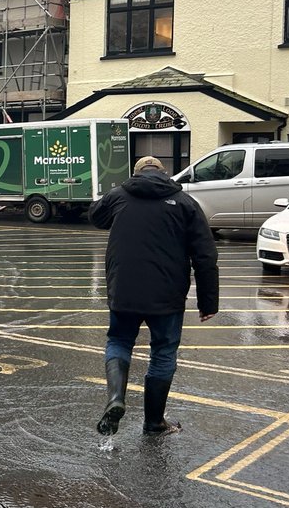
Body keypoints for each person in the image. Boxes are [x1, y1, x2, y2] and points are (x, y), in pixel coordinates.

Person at [89, 155, 218, 437]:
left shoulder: (119, 196)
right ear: (164, 173)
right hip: (167, 294)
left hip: (124, 289)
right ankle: (154, 422)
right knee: (163, 351)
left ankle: (116, 398)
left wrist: (113, 194)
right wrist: (208, 302)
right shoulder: (185, 203)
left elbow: (95, 217)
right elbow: (205, 255)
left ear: (136, 174)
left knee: (119, 341)